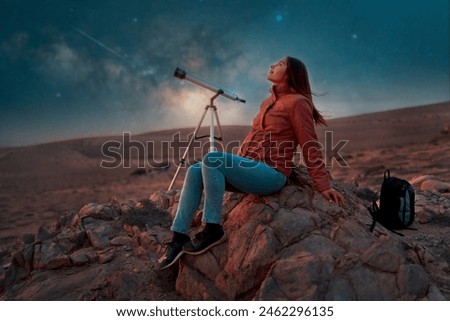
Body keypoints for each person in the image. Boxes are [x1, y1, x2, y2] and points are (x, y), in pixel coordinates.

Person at [158, 56, 345, 270]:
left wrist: (323, 185)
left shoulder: (298, 103)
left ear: (291, 74)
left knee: (211, 158)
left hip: (271, 175)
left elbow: (309, 144)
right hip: (250, 170)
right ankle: (178, 236)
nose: (272, 65)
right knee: (194, 170)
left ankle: (212, 229)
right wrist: (236, 164)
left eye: (280, 64)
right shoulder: (268, 102)